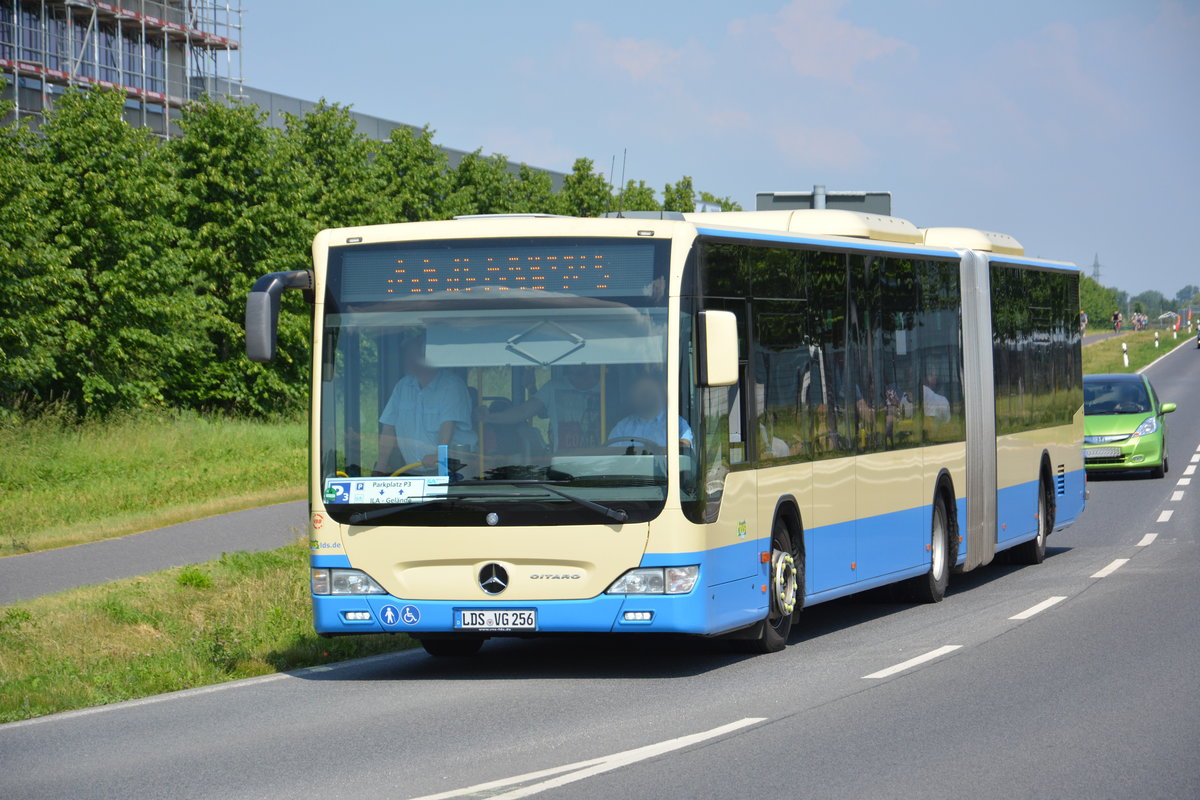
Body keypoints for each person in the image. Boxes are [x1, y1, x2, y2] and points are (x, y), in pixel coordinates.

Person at [375, 334, 476, 474]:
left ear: (427, 357)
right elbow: (388, 427)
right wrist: (381, 465)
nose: (406, 361)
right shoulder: (403, 386)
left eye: (412, 356)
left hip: (452, 470)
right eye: (406, 356)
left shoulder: (451, 386)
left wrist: (439, 455)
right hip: (413, 470)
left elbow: (448, 424)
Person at [479, 364, 603, 451]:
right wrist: (488, 417)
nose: (575, 363)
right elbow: (524, 411)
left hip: (599, 460)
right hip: (564, 460)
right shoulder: (553, 387)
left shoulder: (606, 388)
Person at [608, 373, 694, 449]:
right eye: (641, 394)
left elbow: (685, 447)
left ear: (661, 394)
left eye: (649, 392)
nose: (647, 398)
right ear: (633, 397)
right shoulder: (623, 427)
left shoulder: (676, 423)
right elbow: (610, 455)